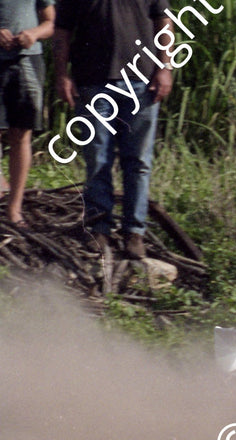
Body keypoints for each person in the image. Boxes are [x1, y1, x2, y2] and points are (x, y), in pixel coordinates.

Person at [52, 0, 172, 258]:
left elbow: (163, 21)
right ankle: (99, 228)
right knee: (97, 159)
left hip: (141, 82)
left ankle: (134, 232)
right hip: (93, 82)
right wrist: (62, 74)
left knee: (138, 161)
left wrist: (165, 67)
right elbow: (62, 30)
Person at [0, 0, 53, 225]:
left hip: (28, 61)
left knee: (21, 135)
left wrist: (33, 33)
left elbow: (51, 22)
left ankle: (14, 208)